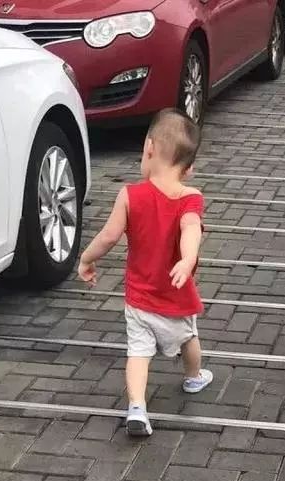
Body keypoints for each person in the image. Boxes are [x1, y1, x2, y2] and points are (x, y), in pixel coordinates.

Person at [78, 108, 213, 437]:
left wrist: (86, 259)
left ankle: (137, 406)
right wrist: (187, 259)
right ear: (189, 168)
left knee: (138, 353)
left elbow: (108, 236)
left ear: (149, 148)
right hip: (176, 296)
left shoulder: (129, 195)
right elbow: (190, 227)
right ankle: (194, 377)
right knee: (188, 337)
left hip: (139, 298)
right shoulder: (191, 198)